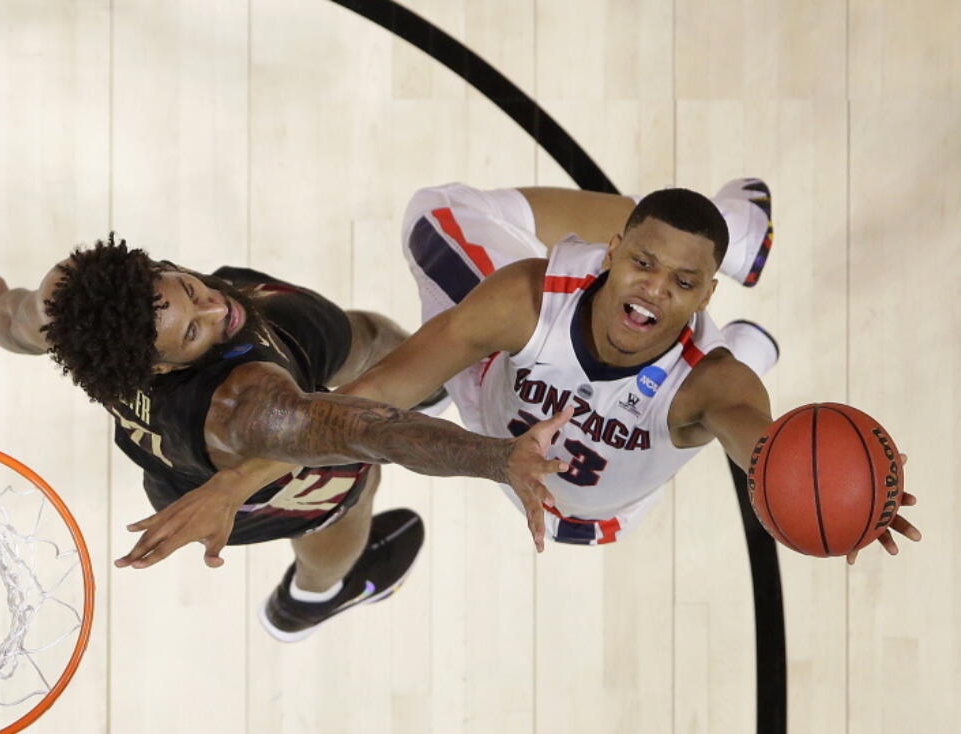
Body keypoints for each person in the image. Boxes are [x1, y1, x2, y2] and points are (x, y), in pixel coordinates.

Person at [124, 180, 920, 566]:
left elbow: (763, 447)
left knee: (439, 216)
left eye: (682, 282)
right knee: (431, 250)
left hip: (570, 500)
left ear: (700, 294)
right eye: (641, 264)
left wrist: (846, 498)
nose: (651, 289)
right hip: (503, 410)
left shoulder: (713, 386)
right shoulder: (527, 297)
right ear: (610, 257)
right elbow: (368, 401)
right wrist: (231, 484)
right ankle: (724, 247)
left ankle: (741, 276)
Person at [0, 244, 573, 642]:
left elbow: (22, 319)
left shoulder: (84, 301)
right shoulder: (244, 408)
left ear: (146, 270)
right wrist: (497, 458)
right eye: (193, 329)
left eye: (188, 289)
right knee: (354, 490)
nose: (217, 309)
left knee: (365, 333)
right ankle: (314, 597)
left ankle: (419, 383)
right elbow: (372, 431)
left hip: (286, 355)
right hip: (262, 457)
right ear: (160, 367)